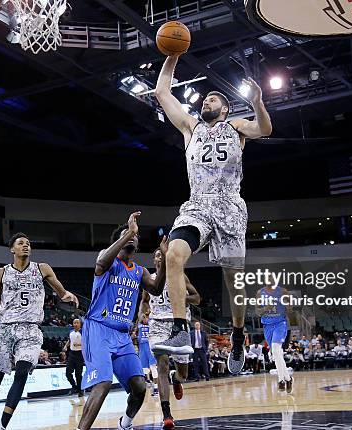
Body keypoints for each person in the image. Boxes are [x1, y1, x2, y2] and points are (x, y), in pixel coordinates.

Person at [152, 53, 273, 375]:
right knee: (174, 255)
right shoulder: (190, 127)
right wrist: (173, 56)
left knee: (235, 285)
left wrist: (259, 101)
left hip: (230, 207)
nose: (207, 101)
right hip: (198, 204)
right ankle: (180, 330)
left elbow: (264, 128)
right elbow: (162, 92)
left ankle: (236, 335)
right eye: (205, 98)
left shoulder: (236, 127)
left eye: (214, 98)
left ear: (226, 108)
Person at [0, 232, 79, 430]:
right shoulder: (1, 273)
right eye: (21, 243)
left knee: (21, 373)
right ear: (12, 249)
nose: (26, 246)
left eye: (28, 243)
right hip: (4, 329)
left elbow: (61, 293)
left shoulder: (42, 268)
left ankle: (2, 426)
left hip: (30, 330)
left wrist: (67, 295)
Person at [75, 212, 167, 430]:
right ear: (120, 241)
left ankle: (125, 424)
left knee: (139, 386)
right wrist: (128, 233)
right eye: (128, 235)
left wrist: (163, 262)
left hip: (123, 335)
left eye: (135, 236)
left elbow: (156, 289)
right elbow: (101, 262)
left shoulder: (139, 271)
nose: (133, 237)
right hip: (99, 329)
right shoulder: (107, 261)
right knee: (103, 383)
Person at [138, 247, 200, 429]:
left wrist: (180, 297)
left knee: (183, 373)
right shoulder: (149, 279)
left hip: (178, 324)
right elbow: (144, 301)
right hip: (157, 325)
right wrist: (141, 314)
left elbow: (197, 298)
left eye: (162, 255)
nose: (160, 257)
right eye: (157, 255)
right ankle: (167, 414)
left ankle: (177, 379)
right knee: (162, 366)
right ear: (154, 260)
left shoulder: (180, 276)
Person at [256, 284, 292, 393]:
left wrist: (286, 304)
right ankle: (288, 379)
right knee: (276, 354)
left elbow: (290, 309)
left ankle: (281, 380)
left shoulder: (283, 291)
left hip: (280, 324)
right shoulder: (259, 293)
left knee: (276, 350)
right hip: (267, 326)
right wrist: (266, 308)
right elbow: (258, 312)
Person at [136, 314, 158, 396]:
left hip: (150, 347)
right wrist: (141, 316)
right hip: (142, 348)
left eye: (146, 318)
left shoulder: (152, 324)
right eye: (143, 318)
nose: (145, 319)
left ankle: (156, 388)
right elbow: (139, 318)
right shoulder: (139, 326)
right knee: (144, 369)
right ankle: (148, 381)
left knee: (153, 368)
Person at [65, 319, 84, 397]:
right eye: (74, 323)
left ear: (80, 324)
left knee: (78, 374)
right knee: (68, 373)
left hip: (80, 354)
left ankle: (80, 390)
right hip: (72, 354)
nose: (76, 324)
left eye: (77, 323)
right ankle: (74, 386)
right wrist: (65, 346)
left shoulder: (83, 332)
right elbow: (70, 340)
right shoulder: (71, 332)